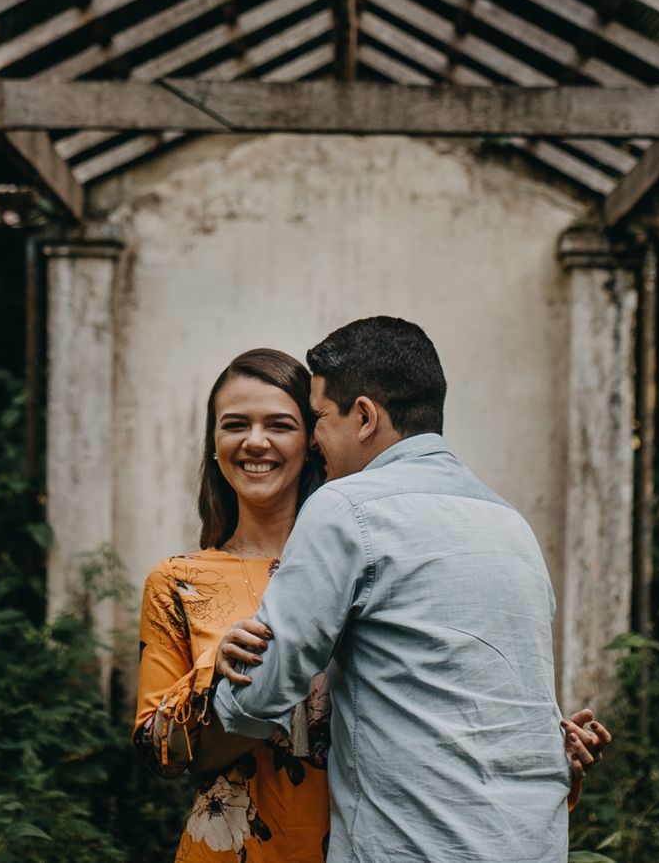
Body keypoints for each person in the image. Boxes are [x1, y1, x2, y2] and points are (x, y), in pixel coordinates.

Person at [134, 345, 608, 863]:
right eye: (234, 424)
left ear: (314, 439)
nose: (255, 441)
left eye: (281, 424)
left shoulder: (380, 557)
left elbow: (444, 712)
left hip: (373, 845)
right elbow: (160, 754)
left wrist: (541, 746)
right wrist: (211, 672)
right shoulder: (179, 583)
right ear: (213, 442)